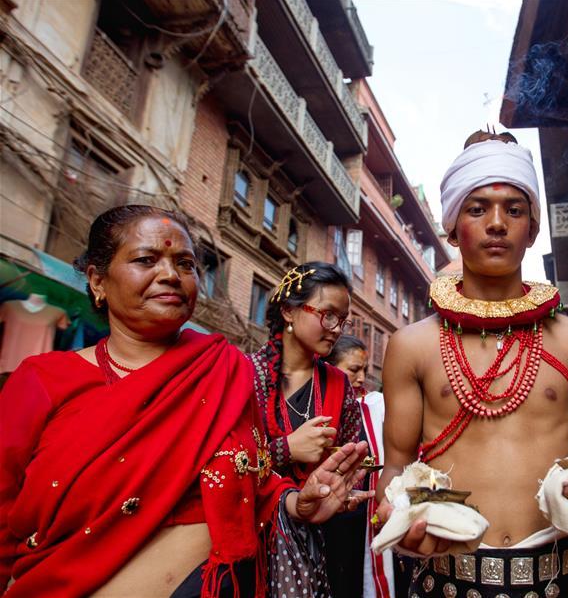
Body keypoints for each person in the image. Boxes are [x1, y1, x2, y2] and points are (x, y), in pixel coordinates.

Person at [0, 205, 370, 597]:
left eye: (186, 264)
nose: (170, 275)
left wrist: (298, 503)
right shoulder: (42, 381)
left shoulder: (225, 370)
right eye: (146, 259)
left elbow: (252, 482)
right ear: (97, 280)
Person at [375, 130, 568, 598]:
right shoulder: (411, 345)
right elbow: (397, 468)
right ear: (451, 226)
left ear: (533, 228)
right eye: (477, 208)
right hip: (450, 577)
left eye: (515, 210)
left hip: (563, 575)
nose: (497, 223)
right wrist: (402, 511)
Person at [248, 262, 364, 597]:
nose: (336, 328)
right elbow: (226, 462)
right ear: (288, 310)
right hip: (256, 536)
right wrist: (287, 449)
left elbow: (349, 450)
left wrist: (343, 485)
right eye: (327, 315)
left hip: (323, 542)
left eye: (341, 320)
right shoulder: (248, 374)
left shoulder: (339, 384)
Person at [322, 335, 397, 598]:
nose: (363, 378)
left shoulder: (375, 406)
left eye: (365, 370)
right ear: (329, 366)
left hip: (365, 519)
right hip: (325, 520)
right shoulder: (316, 408)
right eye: (354, 370)